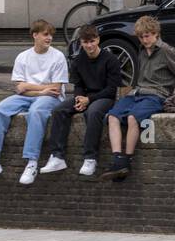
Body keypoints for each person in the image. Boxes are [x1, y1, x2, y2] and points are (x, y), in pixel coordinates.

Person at [100, 15, 175, 181]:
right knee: (112, 116)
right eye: (141, 37)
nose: (144, 40)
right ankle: (117, 160)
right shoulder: (141, 50)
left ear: (156, 34)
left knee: (132, 118)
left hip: (156, 95)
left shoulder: (167, 51)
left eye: (147, 36)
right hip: (137, 93)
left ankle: (127, 161)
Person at [0, 19, 69, 186]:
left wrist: (30, 87)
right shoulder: (23, 57)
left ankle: (32, 163)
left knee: (36, 112)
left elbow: (55, 88)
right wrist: (40, 89)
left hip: (51, 98)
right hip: (31, 95)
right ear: (35, 35)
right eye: (45, 34)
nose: (49, 38)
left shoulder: (58, 56)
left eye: (51, 35)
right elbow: (19, 89)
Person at [41, 26, 123, 178]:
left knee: (93, 112)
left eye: (92, 41)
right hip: (85, 96)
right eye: (86, 42)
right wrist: (79, 98)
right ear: (81, 42)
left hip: (105, 98)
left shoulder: (111, 60)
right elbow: (78, 84)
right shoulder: (78, 60)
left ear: (98, 40)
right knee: (59, 110)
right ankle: (57, 156)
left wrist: (89, 100)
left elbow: (112, 89)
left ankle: (90, 158)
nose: (89, 45)